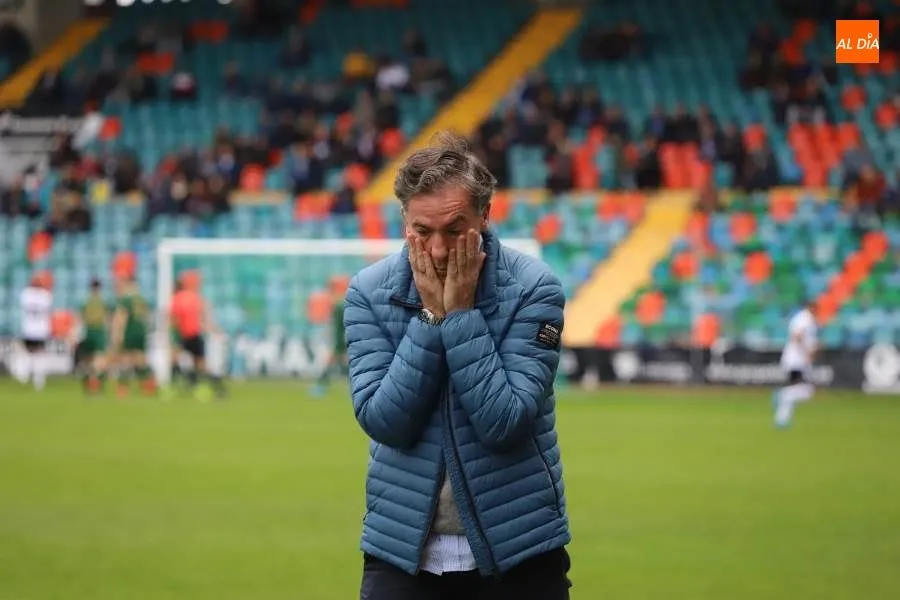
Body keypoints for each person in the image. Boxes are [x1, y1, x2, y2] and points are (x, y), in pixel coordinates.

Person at [344, 131, 572, 599]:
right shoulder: (368, 292)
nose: (438, 249)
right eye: (422, 231)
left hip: (519, 549)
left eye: (454, 230)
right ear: (403, 219)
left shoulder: (534, 289)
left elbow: (503, 422)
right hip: (401, 552)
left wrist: (462, 314)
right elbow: (383, 421)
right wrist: (431, 318)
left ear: (484, 216)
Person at [167, 278, 226, 400]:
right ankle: (218, 388)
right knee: (200, 365)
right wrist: (212, 328)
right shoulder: (195, 298)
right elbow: (204, 314)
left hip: (184, 335)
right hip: (196, 335)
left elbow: (174, 319)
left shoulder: (177, 299)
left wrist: (170, 333)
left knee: (174, 360)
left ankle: (174, 387)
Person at [773, 300, 819, 428]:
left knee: (798, 390)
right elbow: (797, 335)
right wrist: (806, 352)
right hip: (797, 360)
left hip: (797, 360)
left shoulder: (804, 318)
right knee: (805, 390)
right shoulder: (804, 318)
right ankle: (783, 396)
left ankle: (782, 419)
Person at [110, 276, 157, 397]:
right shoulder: (142, 300)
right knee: (141, 360)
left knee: (125, 360)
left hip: (129, 332)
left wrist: (117, 334)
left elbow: (121, 317)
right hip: (141, 332)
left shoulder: (126, 300)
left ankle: (122, 389)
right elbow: (147, 318)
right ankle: (148, 386)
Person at [311, 275, 349, 397]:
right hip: (342, 339)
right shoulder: (340, 302)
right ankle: (322, 385)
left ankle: (321, 386)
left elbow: (339, 327)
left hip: (341, 340)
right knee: (342, 363)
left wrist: (339, 342)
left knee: (337, 362)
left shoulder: (339, 304)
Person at [73, 278, 110, 394]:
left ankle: (90, 384)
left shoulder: (86, 301)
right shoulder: (103, 301)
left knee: (89, 360)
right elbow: (107, 318)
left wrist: (75, 333)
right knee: (99, 359)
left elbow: (80, 318)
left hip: (89, 330)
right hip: (99, 331)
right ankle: (96, 385)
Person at [17, 274, 53, 391]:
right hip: (41, 329)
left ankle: (24, 375)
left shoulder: (26, 294)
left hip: (29, 328)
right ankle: (38, 380)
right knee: (39, 354)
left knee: (27, 352)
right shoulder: (45, 295)